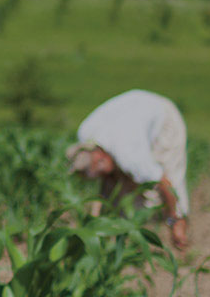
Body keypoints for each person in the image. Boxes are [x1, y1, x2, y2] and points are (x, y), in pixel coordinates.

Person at [65, 89, 190, 252]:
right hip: (133, 111)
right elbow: (105, 181)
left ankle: (180, 228)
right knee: (117, 190)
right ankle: (109, 239)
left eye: (93, 172)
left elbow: (165, 181)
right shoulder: (85, 133)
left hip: (164, 118)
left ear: (100, 159)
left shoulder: (130, 156)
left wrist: (174, 219)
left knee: (157, 192)